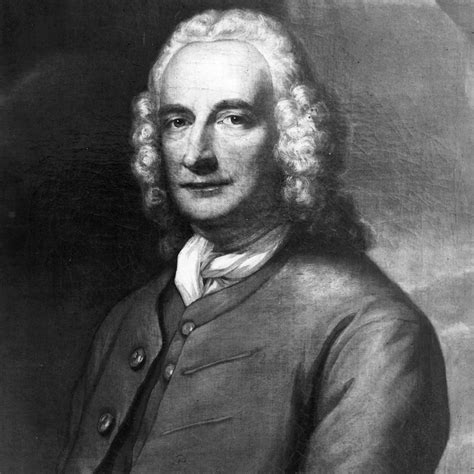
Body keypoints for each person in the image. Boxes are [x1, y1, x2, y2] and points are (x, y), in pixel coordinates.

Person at [58, 8, 449, 473]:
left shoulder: (373, 332)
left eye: (232, 119)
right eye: (178, 121)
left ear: (291, 136)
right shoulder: (128, 319)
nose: (196, 154)